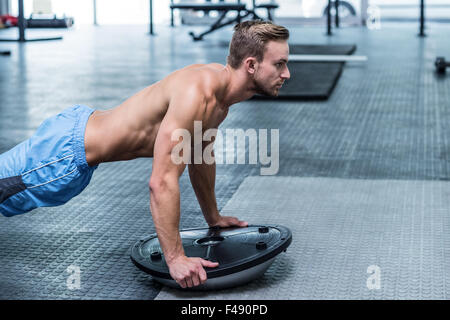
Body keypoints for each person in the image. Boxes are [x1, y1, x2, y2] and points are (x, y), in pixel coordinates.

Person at [0, 20, 290, 288]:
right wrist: (175, 259)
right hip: (61, 157)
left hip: (75, 134)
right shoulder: (197, 96)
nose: (286, 74)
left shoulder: (218, 94)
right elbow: (161, 181)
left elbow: (200, 157)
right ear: (251, 65)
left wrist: (213, 217)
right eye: (279, 64)